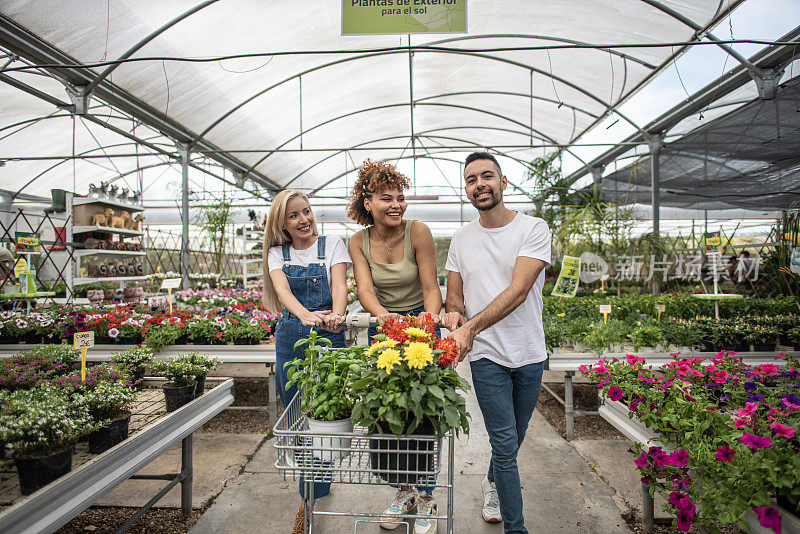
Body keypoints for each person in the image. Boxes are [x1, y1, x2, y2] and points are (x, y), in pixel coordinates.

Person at [442, 152, 551, 534]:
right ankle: (515, 528)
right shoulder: (461, 237)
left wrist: (469, 328)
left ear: (503, 183)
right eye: (471, 180)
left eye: (487, 176)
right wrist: (454, 315)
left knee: (515, 437)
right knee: (505, 444)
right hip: (486, 356)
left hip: (529, 351)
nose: (479, 184)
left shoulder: (533, 228)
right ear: (466, 190)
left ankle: (492, 482)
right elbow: (454, 295)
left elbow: (519, 290)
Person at [346, 159, 442, 534]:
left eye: (401, 198)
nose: (396, 205)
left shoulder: (418, 232)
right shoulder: (358, 241)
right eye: (386, 199)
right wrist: (385, 318)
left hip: (420, 322)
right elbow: (365, 291)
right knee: (388, 415)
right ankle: (403, 492)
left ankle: (428, 497)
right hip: (382, 325)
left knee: (425, 411)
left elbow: (432, 286)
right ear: (367, 202)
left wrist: (427, 323)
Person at [262, 189, 351, 534]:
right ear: (282, 224)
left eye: (307, 212)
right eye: (294, 215)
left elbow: (340, 286)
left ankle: (313, 491)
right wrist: (306, 316)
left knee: (325, 410)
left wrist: (337, 315)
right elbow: (283, 293)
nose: (304, 220)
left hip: (328, 334)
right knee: (296, 413)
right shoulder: (276, 253)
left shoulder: (333, 245)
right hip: (290, 335)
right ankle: (309, 492)